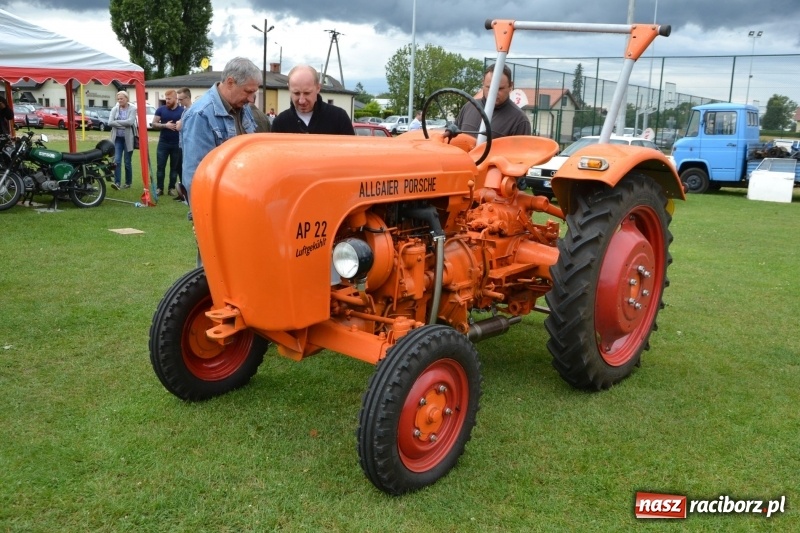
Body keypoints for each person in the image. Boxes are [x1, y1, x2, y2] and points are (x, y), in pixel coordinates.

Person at [181, 57, 261, 202]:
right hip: (218, 205)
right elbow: (195, 174)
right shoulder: (201, 114)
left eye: (253, 92)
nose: (251, 99)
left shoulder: (243, 107)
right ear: (230, 82)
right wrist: (202, 216)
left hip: (243, 199)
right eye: (248, 92)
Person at [270, 65, 355, 135]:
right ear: (289, 88)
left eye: (307, 93)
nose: (301, 100)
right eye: (296, 93)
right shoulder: (280, 123)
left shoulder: (339, 118)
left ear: (318, 88)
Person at [456, 64, 531, 138]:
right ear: (483, 83)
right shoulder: (469, 107)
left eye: (500, 89)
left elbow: (521, 150)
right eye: (489, 87)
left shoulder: (519, 120)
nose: (493, 93)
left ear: (510, 86)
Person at [151, 89, 184, 196]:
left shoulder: (182, 111)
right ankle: (160, 188)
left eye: (169, 99)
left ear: (175, 99)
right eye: (166, 98)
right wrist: (165, 125)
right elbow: (154, 124)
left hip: (176, 144)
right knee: (160, 167)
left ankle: (171, 189)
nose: (167, 101)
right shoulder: (161, 110)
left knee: (174, 168)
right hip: (163, 143)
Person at [107, 91, 137, 189]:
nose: (120, 100)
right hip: (117, 138)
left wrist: (117, 122)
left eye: (121, 98)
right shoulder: (114, 109)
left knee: (127, 162)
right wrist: (123, 123)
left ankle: (128, 183)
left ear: (126, 99)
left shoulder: (133, 109)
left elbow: (130, 122)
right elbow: (110, 123)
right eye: (118, 99)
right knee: (117, 160)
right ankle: (117, 183)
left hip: (128, 138)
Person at [174, 87, 192, 201]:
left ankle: (187, 194)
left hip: (188, 146)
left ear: (187, 97)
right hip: (182, 144)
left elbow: (188, 127)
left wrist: (180, 125)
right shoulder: (185, 110)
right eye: (178, 99)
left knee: (186, 169)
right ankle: (184, 194)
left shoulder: (192, 110)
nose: (179, 102)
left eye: (180, 99)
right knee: (180, 168)